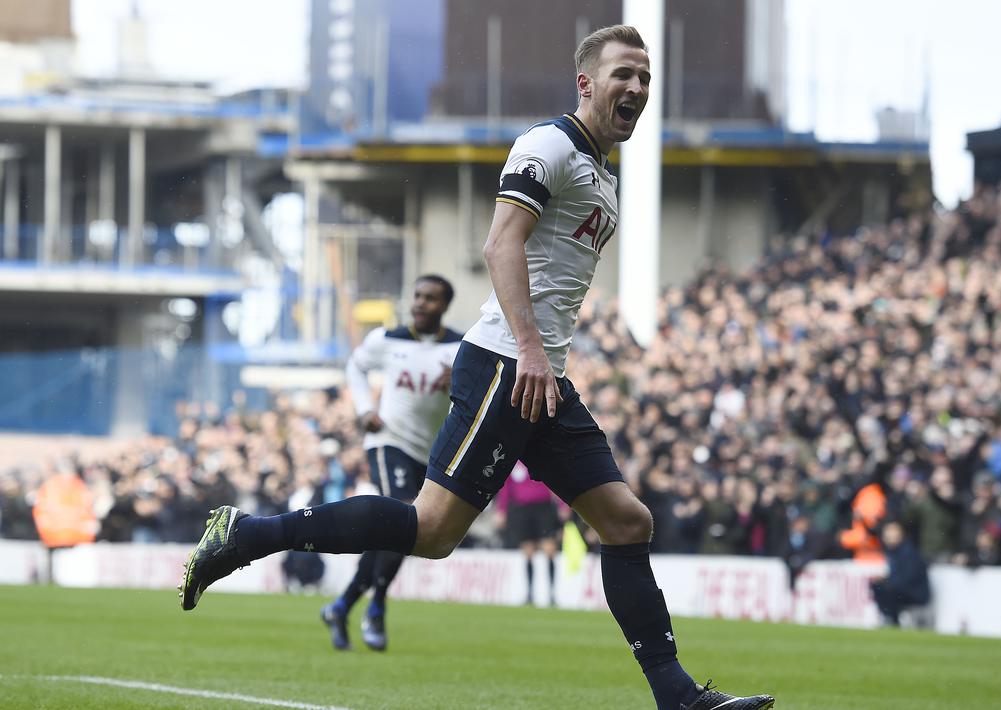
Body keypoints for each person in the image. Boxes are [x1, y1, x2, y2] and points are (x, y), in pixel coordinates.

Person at [179, 25, 773, 710]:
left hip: (541, 376)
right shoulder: (547, 146)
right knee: (430, 532)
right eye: (622, 75)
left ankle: (675, 696)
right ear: (585, 83)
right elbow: (500, 246)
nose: (636, 88)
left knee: (625, 519)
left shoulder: (601, 170)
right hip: (505, 364)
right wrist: (527, 349)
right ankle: (247, 534)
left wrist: (540, 357)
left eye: (643, 77)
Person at [319, 274, 462, 651]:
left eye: (430, 298)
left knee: (405, 530)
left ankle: (343, 604)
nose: (420, 303)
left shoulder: (461, 348)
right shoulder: (387, 339)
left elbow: (478, 396)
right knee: (402, 513)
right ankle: (377, 606)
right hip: (388, 441)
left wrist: (462, 384)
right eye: (417, 295)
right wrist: (365, 408)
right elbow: (355, 366)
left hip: (430, 453)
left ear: (444, 306)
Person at [495, 461, 566, 606]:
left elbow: (556, 480)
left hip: (543, 508)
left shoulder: (539, 454)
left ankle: (552, 594)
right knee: (528, 551)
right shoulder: (514, 461)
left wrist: (562, 504)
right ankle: (529, 594)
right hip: (521, 509)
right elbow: (506, 487)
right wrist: (501, 510)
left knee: (549, 548)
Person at [869, 520, 930, 626]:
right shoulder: (893, 551)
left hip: (915, 592)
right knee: (877, 585)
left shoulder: (908, 552)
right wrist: (885, 580)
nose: (889, 538)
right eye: (887, 535)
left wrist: (888, 581)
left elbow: (908, 577)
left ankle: (893, 620)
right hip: (902, 589)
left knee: (888, 590)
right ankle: (888, 617)